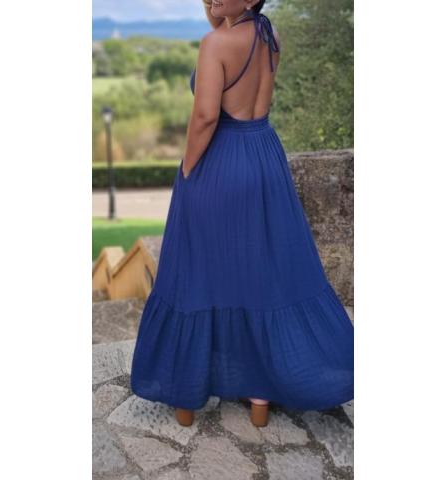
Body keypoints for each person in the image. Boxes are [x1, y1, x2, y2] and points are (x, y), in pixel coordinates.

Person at [130, 0, 354, 429]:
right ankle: (259, 398)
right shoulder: (270, 35)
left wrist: (189, 168)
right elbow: (233, 34)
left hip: (221, 161)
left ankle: (185, 395)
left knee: (194, 270)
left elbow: (205, 116)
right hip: (264, 157)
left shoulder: (215, 44)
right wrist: (220, 10)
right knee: (259, 273)